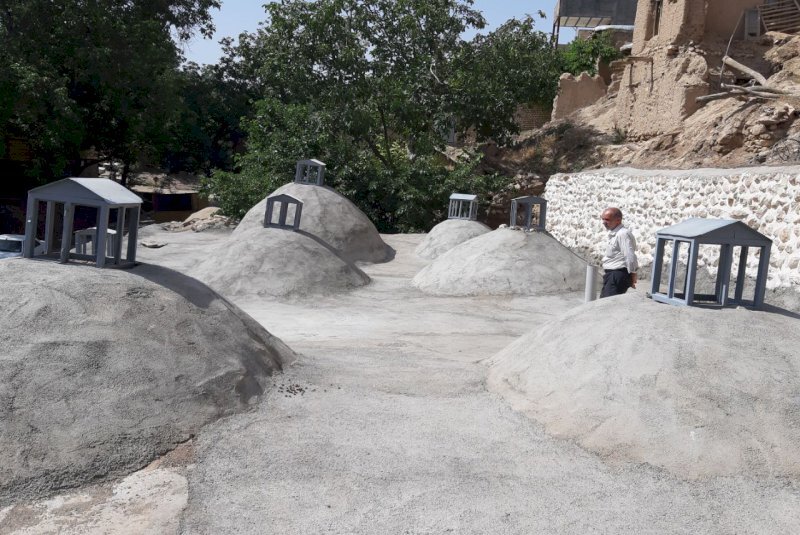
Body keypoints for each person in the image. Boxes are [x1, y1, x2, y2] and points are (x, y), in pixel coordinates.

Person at [599, 207, 638, 298]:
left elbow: (629, 256)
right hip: (611, 275)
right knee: (604, 303)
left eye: (607, 219)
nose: (604, 222)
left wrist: (632, 274)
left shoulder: (622, 234)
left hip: (617, 275)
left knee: (607, 306)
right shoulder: (615, 233)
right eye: (603, 219)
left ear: (618, 220)